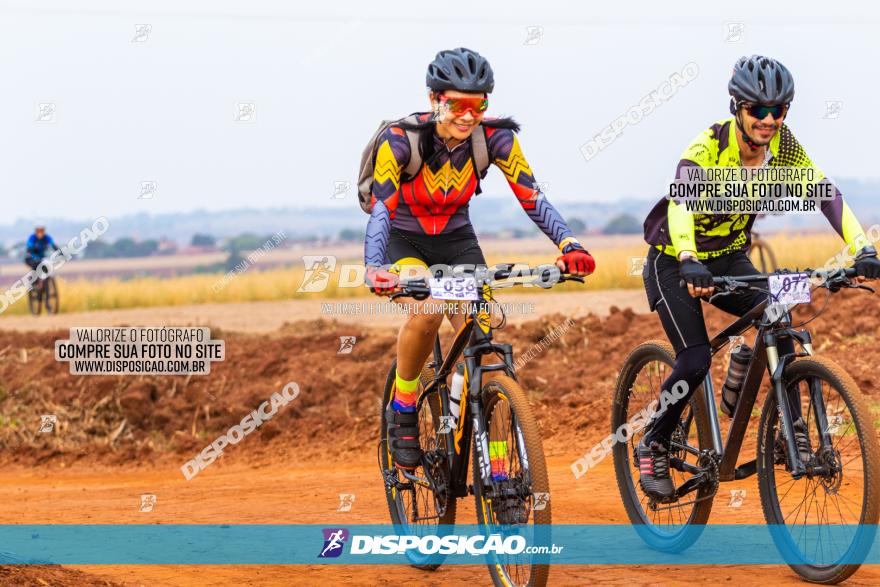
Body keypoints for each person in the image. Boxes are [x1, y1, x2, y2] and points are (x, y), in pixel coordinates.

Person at [638, 55, 880, 500]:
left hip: (730, 257)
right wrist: (690, 257)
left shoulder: (783, 147)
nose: (768, 120)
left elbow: (825, 193)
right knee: (693, 360)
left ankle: (791, 432)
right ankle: (653, 440)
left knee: (779, 314)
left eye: (778, 110)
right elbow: (681, 205)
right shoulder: (707, 148)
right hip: (674, 260)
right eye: (758, 110)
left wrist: (861, 247)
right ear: (737, 107)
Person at [365, 47, 596, 469]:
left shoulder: (497, 139)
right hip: (404, 241)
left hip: (457, 242)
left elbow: (533, 197)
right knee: (429, 308)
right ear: (435, 99)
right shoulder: (400, 141)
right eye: (457, 104)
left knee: (484, 337)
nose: (469, 115)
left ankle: (500, 466)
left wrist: (569, 245)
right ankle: (403, 405)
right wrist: (376, 267)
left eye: (479, 105)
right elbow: (382, 209)